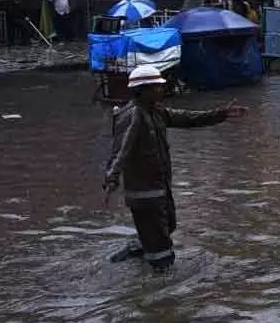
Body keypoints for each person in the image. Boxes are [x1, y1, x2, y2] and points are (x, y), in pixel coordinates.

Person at [104, 65, 248, 271]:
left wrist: (222, 114)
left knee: (169, 225)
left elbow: (188, 118)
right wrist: (111, 179)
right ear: (143, 90)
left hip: (161, 188)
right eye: (157, 87)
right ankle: (158, 290)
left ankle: (138, 250)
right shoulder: (133, 116)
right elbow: (119, 151)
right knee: (162, 251)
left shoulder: (156, 112)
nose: (162, 90)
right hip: (145, 194)